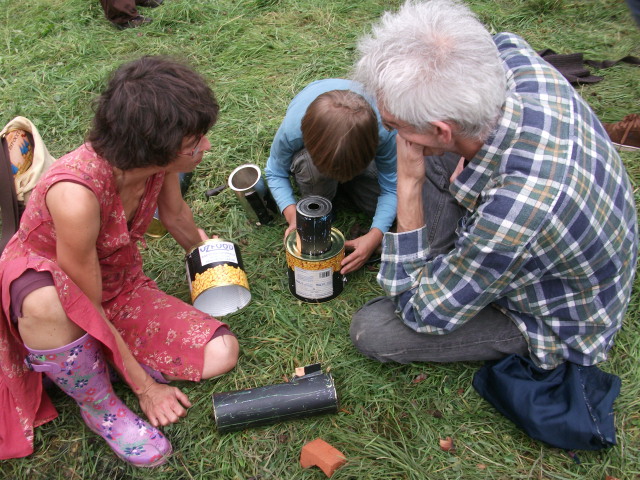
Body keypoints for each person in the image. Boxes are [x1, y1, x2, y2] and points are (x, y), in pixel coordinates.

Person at [349, 0, 638, 370]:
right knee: (427, 170)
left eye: (393, 125)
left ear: (440, 130)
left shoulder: (515, 210)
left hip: (557, 313)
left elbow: (419, 311)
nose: (389, 131)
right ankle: (449, 271)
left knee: (374, 328)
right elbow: (500, 41)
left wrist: (407, 184)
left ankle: (449, 274)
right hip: (553, 215)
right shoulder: (508, 55)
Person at [0, 56, 239, 465]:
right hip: (58, 296)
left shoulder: (153, 167)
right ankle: (99, 405)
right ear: (155, 149)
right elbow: (86, 304)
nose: (206, 147)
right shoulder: (76, 195)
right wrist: (146, 387)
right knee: (47, 305)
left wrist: (211, 261)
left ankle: (85, 365)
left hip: (115, 285)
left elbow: (177, 216)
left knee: (222, 352)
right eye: (194, 142)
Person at [264, 79, 397, 274]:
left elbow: (393, 187)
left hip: (362, 148)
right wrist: (293, 216)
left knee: (395, 210)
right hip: (314, 161)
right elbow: (274, 171)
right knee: (311, 170)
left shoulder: (385, 130)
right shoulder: (293, 130)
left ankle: (343, 188)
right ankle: (325, 194)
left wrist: (375, 236)